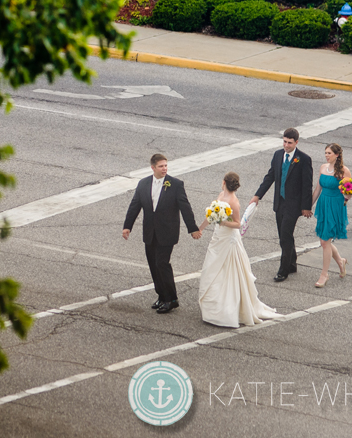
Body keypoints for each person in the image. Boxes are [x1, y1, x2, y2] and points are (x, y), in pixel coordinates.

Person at [198, 172, 283, 327]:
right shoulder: (220, 195)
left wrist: (222, 222)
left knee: (229, 270)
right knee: (213, 267)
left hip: (228, 238)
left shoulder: (234, 202)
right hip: (218, 237)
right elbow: (211, 215)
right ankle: (213, 307)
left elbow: (238, 223)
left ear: (223, 182)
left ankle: (227, 309)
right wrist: (200, 229)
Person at [123, 154, 201, 314]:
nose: (164, 168)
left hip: (167, 232)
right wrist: (127, 226)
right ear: (153, 167)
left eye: (166, 165)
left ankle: (171, 299)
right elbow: (135, 205)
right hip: (150, 232)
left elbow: (185, 207)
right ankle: (161, 295)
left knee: (162, 263)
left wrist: (192, 228)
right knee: (153, 264)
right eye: (161, 166)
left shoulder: (176, 184)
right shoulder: (143, 184)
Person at [249, 128, 313, 282]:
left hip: (294, 204)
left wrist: (306, 207)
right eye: (284, 141)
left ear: (296, 142)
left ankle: (283, 270)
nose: (286, 145)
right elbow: (270, 176)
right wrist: (257, 195)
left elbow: (307, 184)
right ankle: (292, 263)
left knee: (285, 236)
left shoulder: (303, 159)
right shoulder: (278, 155)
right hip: (280, 202)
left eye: (290, 143)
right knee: (284, 235)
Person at [312, 143, 352, 288]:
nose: (326, 155)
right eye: (326, 153)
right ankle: (341, 261)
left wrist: (349, 194)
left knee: (324, 242)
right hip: (323, 204)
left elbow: (348, 194)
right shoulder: (323, 168)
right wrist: (308, 206)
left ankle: (324, 274)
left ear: (337, 155)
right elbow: (317, 189)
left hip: (335, 206)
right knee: (325, 241)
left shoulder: (344, 171)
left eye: (329, 153)